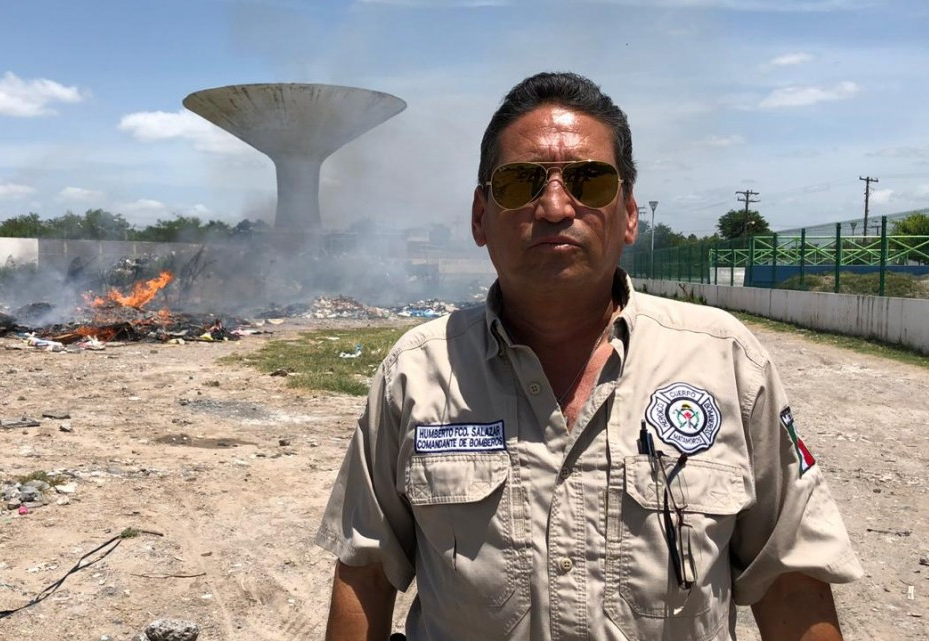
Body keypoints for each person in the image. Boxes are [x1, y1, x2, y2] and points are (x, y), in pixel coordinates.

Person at [316, 71, 863, 641]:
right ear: (480, 217)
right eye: (520, 183)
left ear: (629, 214)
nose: (554, 206)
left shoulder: (724, 360)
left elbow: (790, 584)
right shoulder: (417, 372)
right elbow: (367, 573)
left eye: (590, 181)